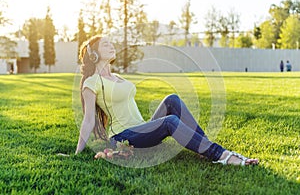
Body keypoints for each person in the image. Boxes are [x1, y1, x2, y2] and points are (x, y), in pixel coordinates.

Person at [75, 35, 259, 166]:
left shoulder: (116, 76)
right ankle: (221, 155)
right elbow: (89, 119)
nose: (111, 46)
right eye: (105, 44)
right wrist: (77, 153)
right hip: (123, 136)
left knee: (172, 100)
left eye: (110, 43)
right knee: (170, 122)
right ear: (94, 54)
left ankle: (204, 146)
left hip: (141, 129)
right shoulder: (92, 83)